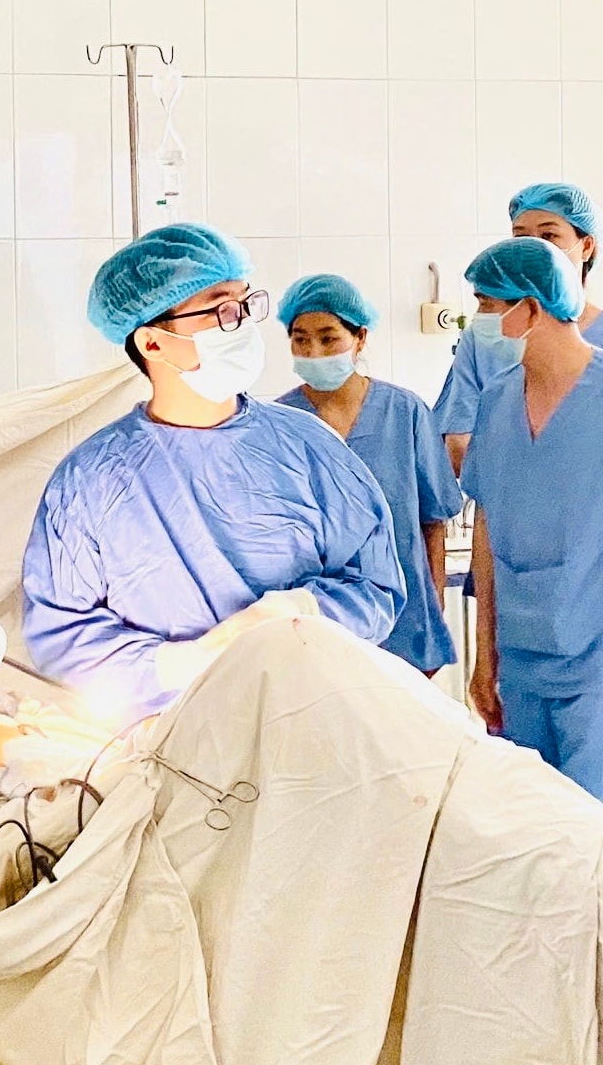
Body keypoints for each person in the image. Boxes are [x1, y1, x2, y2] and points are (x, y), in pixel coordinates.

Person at [22, 224, 405, 724]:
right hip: (163, 738)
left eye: (245, 305)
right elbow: (60, 634)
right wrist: (181, 663)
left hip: (309, 723)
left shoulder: (310, 447)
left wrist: (299, 615)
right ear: (152, 343)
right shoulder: (89, 481)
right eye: (221, 310)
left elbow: (375, 587)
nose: (242, 324)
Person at [459, 236, 603, 833]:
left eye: (488, 306)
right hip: (522, 665)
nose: (478, 322)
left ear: (531, 309)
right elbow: (487, 527)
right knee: (535, 839)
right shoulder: (497, 401)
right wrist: (485, 657)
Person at [275, 274, 463, 676]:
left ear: (359, 338)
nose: (313, 351)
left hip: (404, 623)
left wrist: (431, 617)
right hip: (314, 626)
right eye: (300, 340)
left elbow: (432, 523)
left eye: (328, 338)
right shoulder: (278, 424)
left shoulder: (404, 413)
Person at [436, 182, 603, 473]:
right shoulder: (485, 342)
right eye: (521, 237)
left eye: (549, 236)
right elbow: (458, 445)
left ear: (586, 246)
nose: (534, 249)